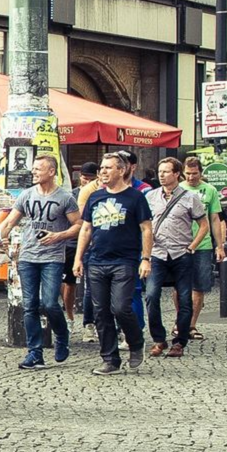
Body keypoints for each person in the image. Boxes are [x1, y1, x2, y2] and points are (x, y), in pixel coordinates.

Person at [0, 152, 80, 370]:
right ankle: (35, 353)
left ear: (51, 172)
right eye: (33, 168)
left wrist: (58, 236)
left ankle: (62, 335)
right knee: (30, 306)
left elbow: (79, 226)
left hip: (52, 257)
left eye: (38, 169)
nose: (33, 172)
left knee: (49, 303)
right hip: (28, 257)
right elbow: (10, 222)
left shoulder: (65, 198)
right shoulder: (26, 195)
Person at [73, 149, 153, 375]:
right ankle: (110, 359)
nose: (103, 172)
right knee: (101, 312)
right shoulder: (96, 197)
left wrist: (145, 259)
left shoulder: (135, 198)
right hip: (96, 261)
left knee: (120, 307)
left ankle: (136, 342)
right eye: (101, 168)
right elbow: (86, 228)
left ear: (122, 170)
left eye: (108, 168)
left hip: (125, 260)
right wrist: (79, 258)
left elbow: (146, 228)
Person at [143, 155, 209, 359]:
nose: (161, 175)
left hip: (181, 253)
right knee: (152, 296)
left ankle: (179, 341)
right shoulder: (150, 196)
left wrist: (193, 246)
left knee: (184, 298)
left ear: (176, 174)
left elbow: (204, 224)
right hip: (157, 254)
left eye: (166, 172)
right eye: (160, 171)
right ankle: (158, 339)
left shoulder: (190, 197)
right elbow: (144, 225)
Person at [182, 154, 226, 337]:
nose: (191, 177)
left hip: (203, 245)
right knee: (179, 287)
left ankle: (191, 325)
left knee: (198, 286)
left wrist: (220, 245)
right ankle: (180, 322)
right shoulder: (178, 189)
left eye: (194, 173)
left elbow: (214, 219)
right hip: (180, 244)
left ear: (200, 173)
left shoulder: (210, 190)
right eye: (188, 174)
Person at [70, 161, 100, 327]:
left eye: (91, 178)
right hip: (77, 242)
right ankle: (88, 322)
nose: (86, 181)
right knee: (88, 286)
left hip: (96, 242)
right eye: (84, 177)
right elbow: (81, 222)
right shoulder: (75, 194)